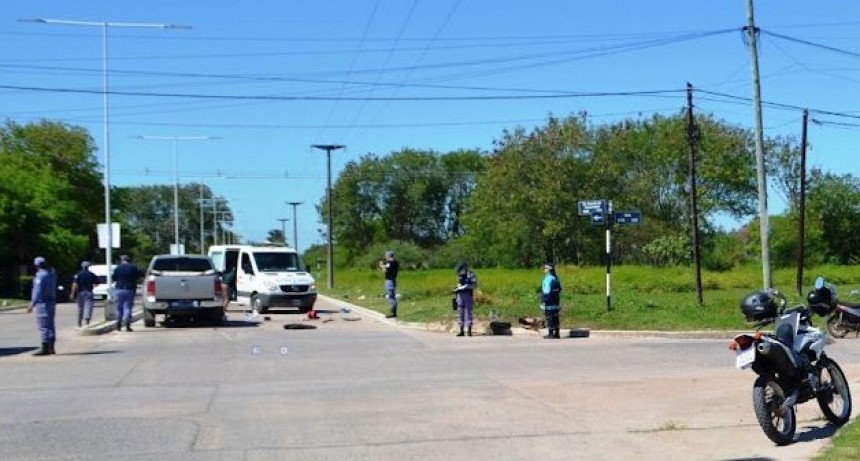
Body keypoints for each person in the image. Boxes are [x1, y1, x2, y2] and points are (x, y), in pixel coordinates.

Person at [27, 256, 57, 356]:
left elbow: (38, 291)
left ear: (37, 265)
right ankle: (51, 346)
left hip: (42, 303)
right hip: (51, 302)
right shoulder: (51, 274)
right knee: (50, 325)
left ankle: (45, 347)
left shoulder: (40, 276)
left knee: (43, 325)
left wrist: (32, 304)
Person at [112, 254, 140, 332]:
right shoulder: (133, 267)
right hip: (130, 289)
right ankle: (127, 324)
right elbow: (138, 276)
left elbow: (114, 278)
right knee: (127, 307)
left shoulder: (117, 268)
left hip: (119, 289)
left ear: (121, 260)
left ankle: (118, 325)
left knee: (119, 308)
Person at [70, 260, 99, 328]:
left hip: (80, 292)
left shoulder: (78, 274)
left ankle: (79, 321)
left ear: (82, 266)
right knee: (88, 307)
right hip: (89, 291)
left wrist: (72, 293)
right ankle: (87, 321)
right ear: (88, 266)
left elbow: (75, 284)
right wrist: (92, 286)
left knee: (80, 308)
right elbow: (97, 283)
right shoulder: (91, 274)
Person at [454, 262, 478, 337]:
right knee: (460, 312)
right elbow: (459, 283)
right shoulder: (460, 275)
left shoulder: (471, 274)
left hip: (468, 294)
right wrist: (456, 288)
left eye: (461, 269)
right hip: (459, 295)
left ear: (465, 268)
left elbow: (475, 285)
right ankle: (461, 331)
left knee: (468, 312)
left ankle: (469, 331)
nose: (460, 271)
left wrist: (466, 286)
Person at [540, 263, 563, 339]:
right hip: (556, 300)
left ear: (549, 269)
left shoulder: (548, 279)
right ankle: (557, 333)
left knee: (549, 317)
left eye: (545, 268)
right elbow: (559, 289)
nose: (544, 269)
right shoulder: (555, 278)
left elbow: (546, 291)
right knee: (555, 317)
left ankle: (550, 334)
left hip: (549, 300)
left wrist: (543, 301)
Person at [378, 250, 399, 318]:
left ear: (388, 256)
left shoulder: (391, 262)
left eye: (386, 256)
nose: (385, 257)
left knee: (391, 297)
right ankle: (394, 312)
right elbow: (386, 270)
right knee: (392, 296)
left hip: (390, 281)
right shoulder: (395, 262)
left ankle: (392, 313)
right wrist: (382, 265)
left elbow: (384, 269)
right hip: (393, 280)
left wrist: (381, 265)